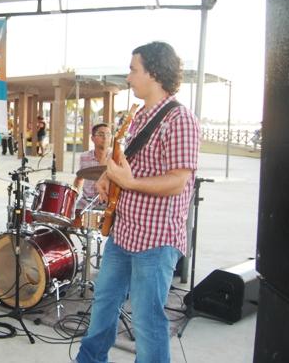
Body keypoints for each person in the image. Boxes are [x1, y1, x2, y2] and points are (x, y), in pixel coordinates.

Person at [76, 42, 200, 363]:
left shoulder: (180, 119)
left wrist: (130, 183)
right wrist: (109, 175)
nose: (129, 77)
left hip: (155, 240)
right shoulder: (140, 116)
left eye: (133, 70)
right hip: (124, 232)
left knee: (147, 320)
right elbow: (130, 162)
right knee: (104, 303)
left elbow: (178, 181)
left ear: (154, 73)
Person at [72, 123, 111, 227]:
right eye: (101, 134)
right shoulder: (84, 156)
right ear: (92, 138)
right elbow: (79, 178)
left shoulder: (115, 157)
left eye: (108, 134)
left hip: (107, 203)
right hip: (86, 202)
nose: (105, 137)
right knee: (69, 220)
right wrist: (73, 196)